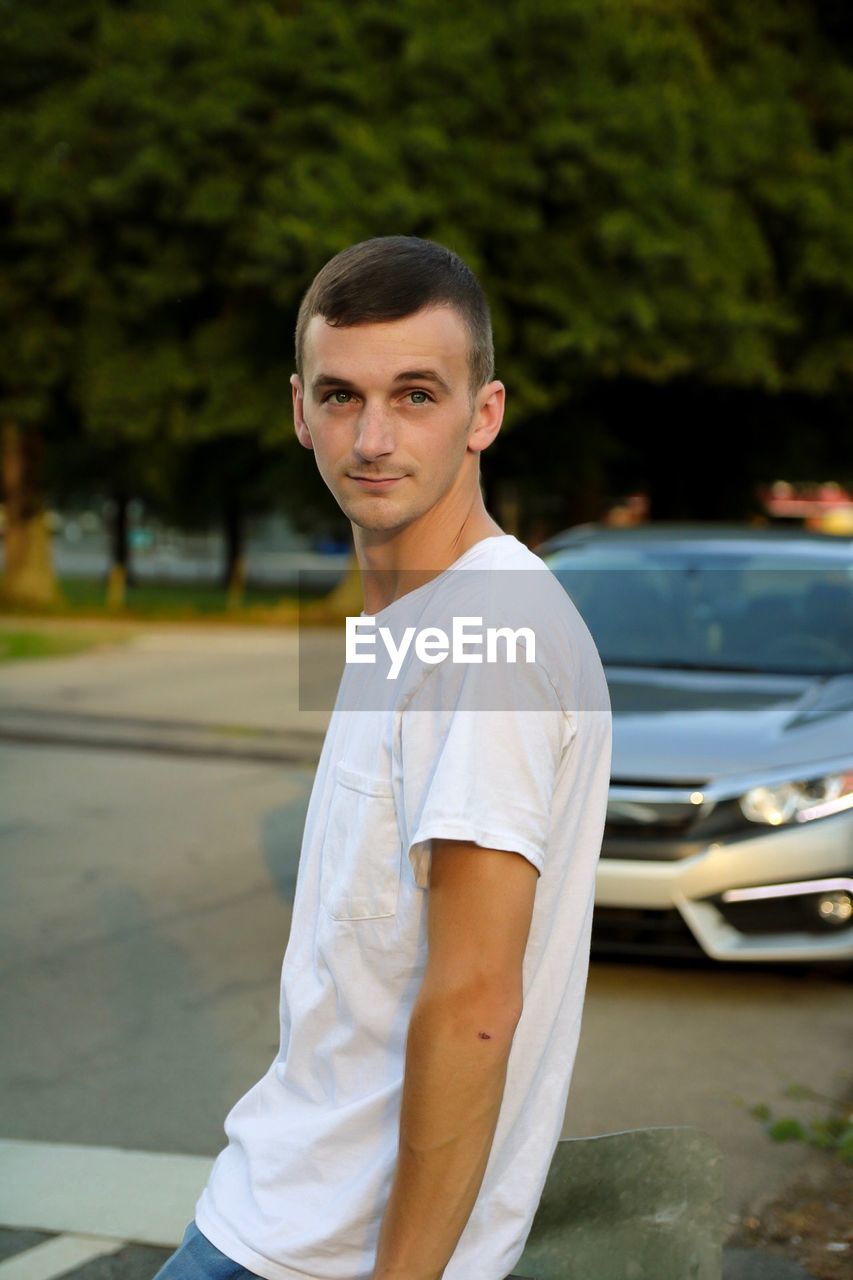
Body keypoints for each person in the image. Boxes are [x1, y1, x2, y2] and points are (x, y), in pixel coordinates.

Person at [154, 235, 612, 1280]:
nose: (371, 436)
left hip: (318, 1256)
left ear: (482, 414)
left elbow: (475, 1001)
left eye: (414, 394)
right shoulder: (409, 621)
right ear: (297, 410)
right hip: (277, 1206)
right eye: (341, 395)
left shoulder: (491, 632)